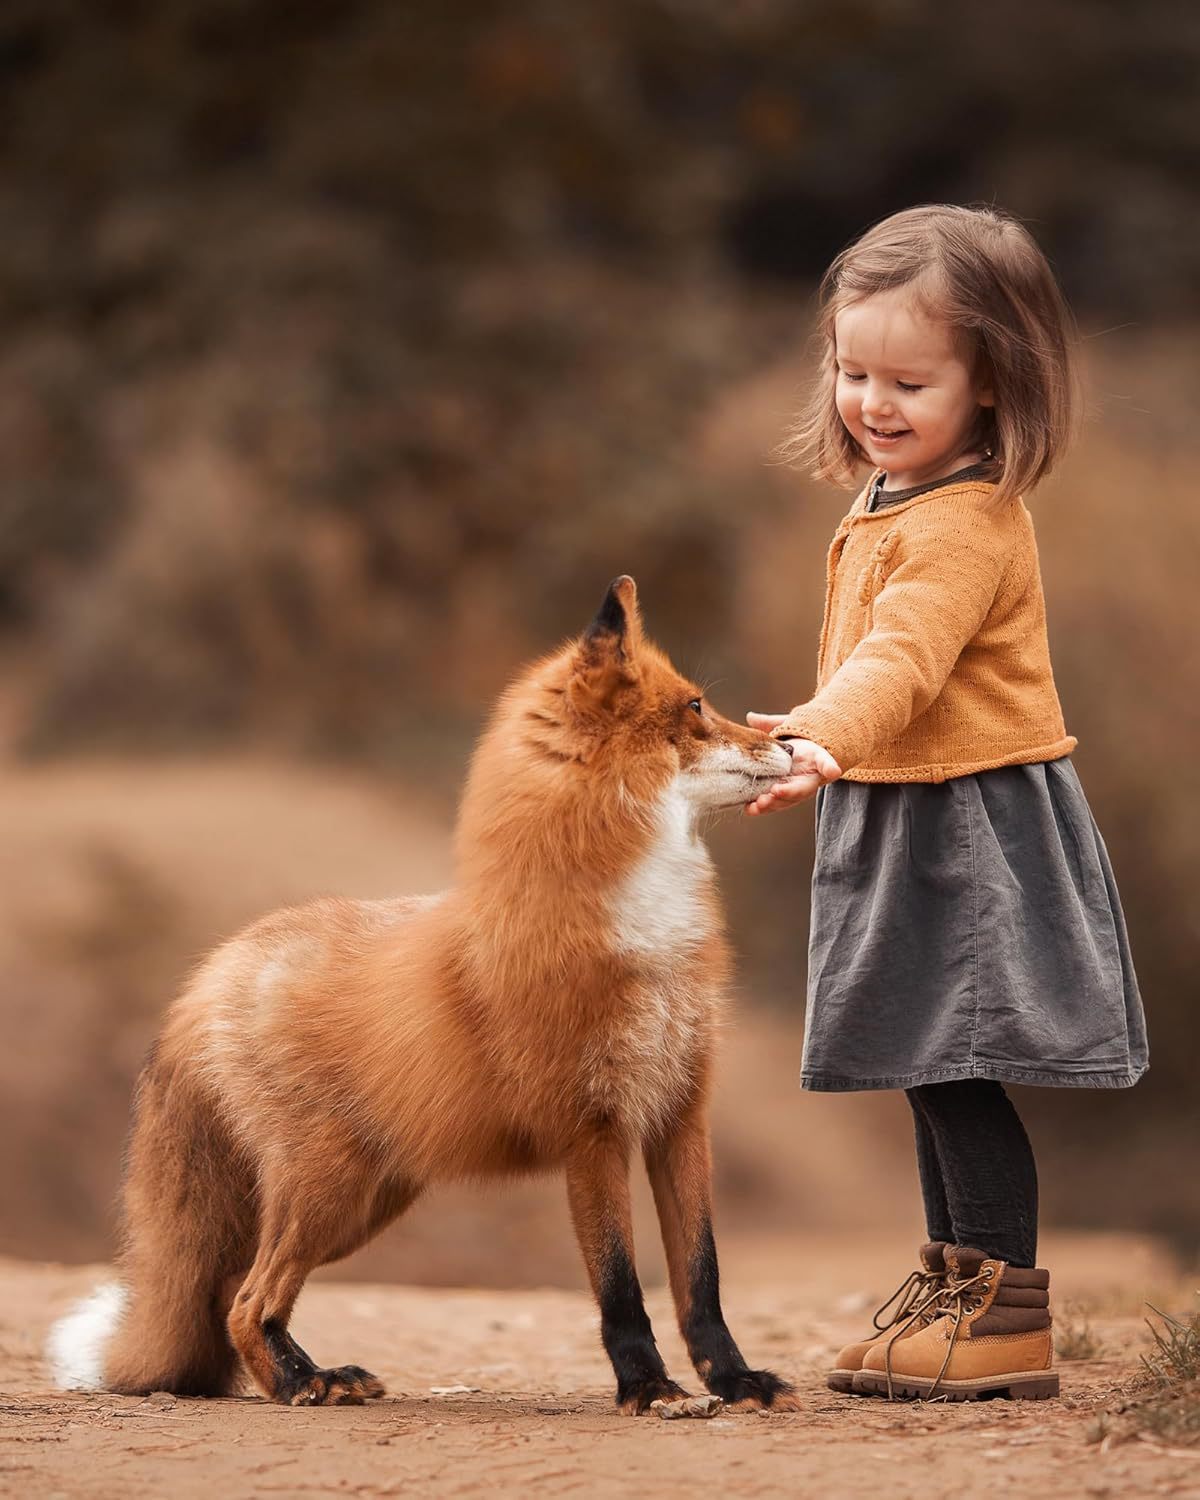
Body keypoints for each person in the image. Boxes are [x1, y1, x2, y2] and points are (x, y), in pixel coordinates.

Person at [743, 204, 1148, 1402]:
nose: (872, 400)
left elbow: (904, 659)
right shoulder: (887, 496)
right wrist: (814, 733)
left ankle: (1005, 1313)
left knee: (959, 1062)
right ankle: (953, 1285)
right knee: (926, 1060)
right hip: (902, 807)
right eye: (852, 368)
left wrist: (826, 729)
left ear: (992, 386)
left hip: (967, 828)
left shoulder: (968, 520)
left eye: (909, 380)